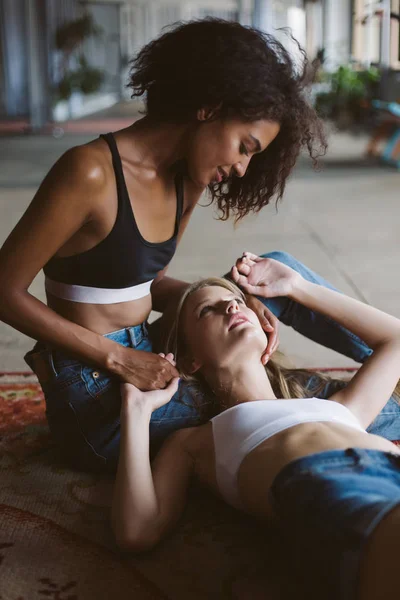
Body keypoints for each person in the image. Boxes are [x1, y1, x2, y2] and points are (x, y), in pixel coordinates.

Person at [0, 18, 396, 474]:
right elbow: (6, 291)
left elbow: (145, 281)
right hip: (95, 392)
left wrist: (233, 301)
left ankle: (390, 362)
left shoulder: (185, 181)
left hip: (149, 347)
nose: (244, 168)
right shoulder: (89, 173)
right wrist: (121, 358)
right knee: (325, 407)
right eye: (245, 146)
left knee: (277, 274)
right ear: (209, 107)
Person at [112, 255, 400, 599]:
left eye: (236, 301)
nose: (231, 309)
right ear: (190, 359)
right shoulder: (194, 443)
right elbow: (137, 532)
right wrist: (137, 412)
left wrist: (296, 286)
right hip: (335, 487)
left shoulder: (336, 407)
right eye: (208, 310)